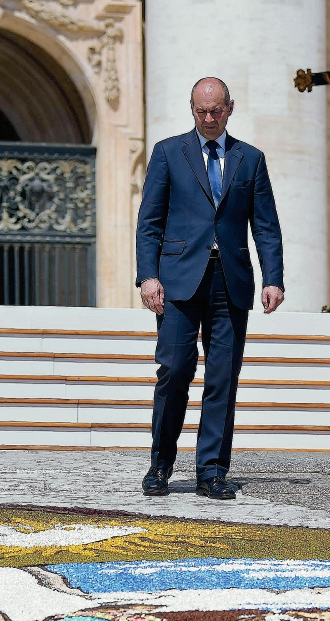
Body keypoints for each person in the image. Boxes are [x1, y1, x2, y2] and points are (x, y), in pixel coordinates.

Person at [136, 77, 285, 500]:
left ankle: (212, 471)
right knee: (175, 371)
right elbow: (149, 224)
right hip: (178, 281)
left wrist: (273, 277)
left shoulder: (250, 159)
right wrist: (148, 276)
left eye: (216, 110)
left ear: (230, 108)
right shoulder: (168, 153)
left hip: (231, 280)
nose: (208, 118)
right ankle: (160, 464)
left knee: (223, 378)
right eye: (201, 111)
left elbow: (267, 225)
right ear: (192, 109)